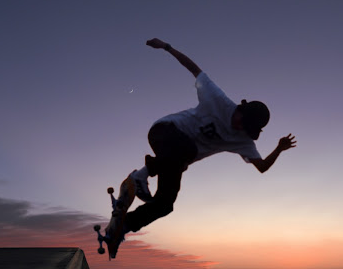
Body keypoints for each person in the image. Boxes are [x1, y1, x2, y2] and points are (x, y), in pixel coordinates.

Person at [121, 38, 296, 241]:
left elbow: (262, 166)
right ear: (240, 109)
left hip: (175, 159)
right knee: (188, 148)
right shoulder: (218, 99)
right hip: (164, 131)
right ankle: (140, 176)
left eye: (246, 128)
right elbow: (194, 68)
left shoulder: (244, 141)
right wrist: (166, 47)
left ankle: (122, 226)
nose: (239, 127)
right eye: (241, 121)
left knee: (165, 204)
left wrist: (279, 149)